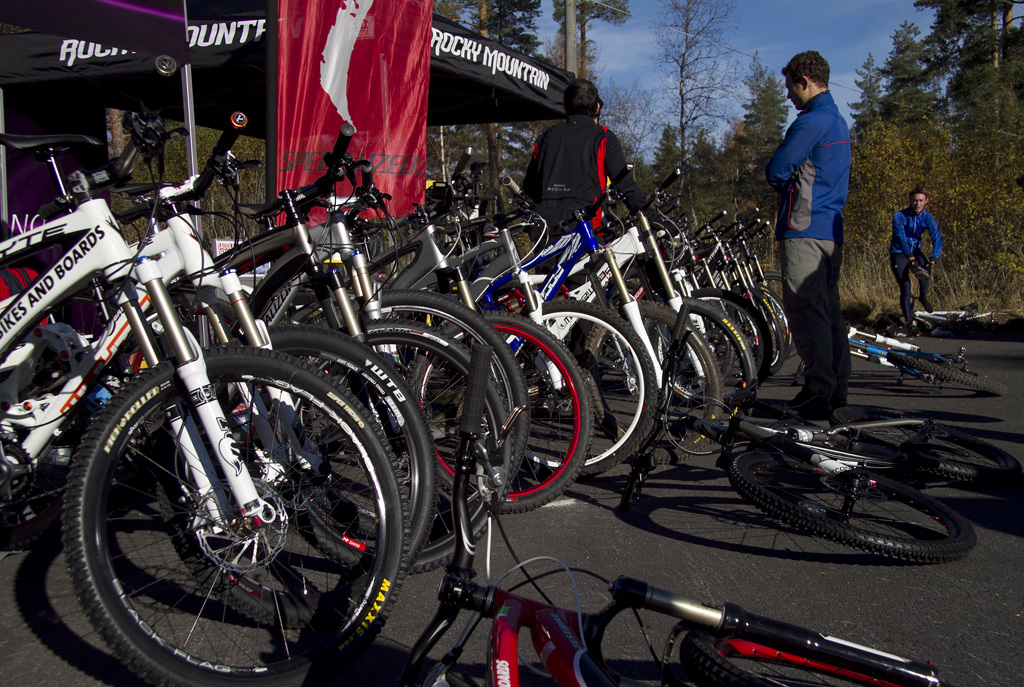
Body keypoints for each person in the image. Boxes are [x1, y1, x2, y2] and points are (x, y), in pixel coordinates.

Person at [765, 50, 852, 421]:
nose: (788, 95)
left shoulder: (812, 122)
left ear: (804, 81)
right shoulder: (838, 121)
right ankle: (836, 387)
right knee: (828, 312)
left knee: (805, 310)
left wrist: (786, 187)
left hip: (804, 228)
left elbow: (777, 169)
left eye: (790, 87)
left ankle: (818, 389)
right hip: (830, 229)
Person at [522, 78, 645, 235]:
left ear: (565, 108)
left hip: (547, 227)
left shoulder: (545, 137)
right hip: (587, 225)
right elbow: (625, 184)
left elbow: (529, 190)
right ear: (597, 107)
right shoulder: (603, 136)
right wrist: (652, 217)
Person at [890, 186, 942, 334]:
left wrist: (933, 259)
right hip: (899, 252)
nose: (917, 204)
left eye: (921, 201)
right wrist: (911, 260)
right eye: (914, 201)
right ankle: (908, 321)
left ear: (926, 201)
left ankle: (923, 296)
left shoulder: (927, 218)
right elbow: (900, 239)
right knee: (905, 286)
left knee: (925, 271)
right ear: (910, 201)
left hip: (916, 251)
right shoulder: (899, 216)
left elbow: (937, 239)